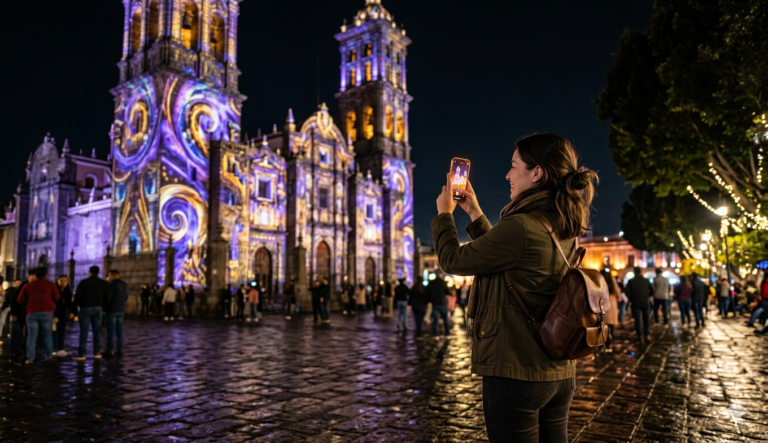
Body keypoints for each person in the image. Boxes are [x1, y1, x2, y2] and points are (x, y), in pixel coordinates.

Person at [432, 133, 599, 441]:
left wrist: (445, 216)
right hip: (559, 372)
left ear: (537, 173)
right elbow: (504, 256)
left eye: (514, 166)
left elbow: (453, 260)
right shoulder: (560, 224)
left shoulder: (520, 226)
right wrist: (475, 213)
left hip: (516, 374)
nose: (508, 174)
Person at [17, 267, 60, 364]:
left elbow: (20, 300)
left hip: (32, 312)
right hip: (47, 312)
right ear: (46, 275)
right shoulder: (51, 284)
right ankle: (49, 356)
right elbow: (57, 297)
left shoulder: (28, 286)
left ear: (35, 275)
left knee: (31, 336)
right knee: (48, 335)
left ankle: (30, 358)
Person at [74, 265, 109, 360]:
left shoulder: (84, 282)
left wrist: (79, 305)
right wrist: (104, 309)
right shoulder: (103, 283)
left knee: (83, 332)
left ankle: (82, 354)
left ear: (90, 272)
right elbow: (107, 298)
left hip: (85, 308)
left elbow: (77, 298)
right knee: (97, 332)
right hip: (98, 308)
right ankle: (97, 353)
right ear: (98, 272)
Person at [103, 270, 128, 358]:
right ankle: (120, 349)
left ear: (113, 275)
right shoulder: (124, 284)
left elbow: (109, 297)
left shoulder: (112, 284)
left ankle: (110, 350)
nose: (108, 278)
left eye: (109, 276)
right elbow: (126, 297)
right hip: (121, 310)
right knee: (120, 331)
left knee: (111, 331)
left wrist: (105, 308)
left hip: (112, 310)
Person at [626, 267, 653, 342]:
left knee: (637, 319)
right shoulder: (646, 280)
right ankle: (647, 334)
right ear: (641, 272)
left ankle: (639, 335)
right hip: (645, 301)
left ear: (634, 272)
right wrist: (647, 296)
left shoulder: (631, 281)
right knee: (646, 318)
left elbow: (627, 291)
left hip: (635, 302)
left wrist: (631, 298)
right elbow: (652, 291)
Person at [425, 270, 452, 337]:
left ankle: (436, 335)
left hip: (435, 304)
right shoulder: (443, 283)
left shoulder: (431, 283)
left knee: (435, 320)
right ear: (440, 275)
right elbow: (448, 292)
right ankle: (447, 333)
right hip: (443, 303)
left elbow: (428, 293)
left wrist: (429, 301)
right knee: (445, 319)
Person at [600, 270, 620, 353]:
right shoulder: (612, 281)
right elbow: (618, 293)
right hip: (611, 306)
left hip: (602, 306)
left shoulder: (600, 281)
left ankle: (604, 345)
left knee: (602, 328)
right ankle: (610, 345)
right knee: (611, 328)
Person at [53, 275, 74, 356]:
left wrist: (72, 312)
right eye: (61, 280)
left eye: (65, 281)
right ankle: (54, 349)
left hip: (64, 314)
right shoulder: (55, 290)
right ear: (57, 281)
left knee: (62, 332)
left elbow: (71, 303)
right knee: (54, 332)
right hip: (55, 314)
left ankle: (60, 349)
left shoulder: (68, 291)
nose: (63, 282)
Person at [9, 276, 28, 359]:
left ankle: (20, 349)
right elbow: (13, 302)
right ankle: (15, 351)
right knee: (17, 332)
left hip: (26, 312)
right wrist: (14, 314)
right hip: (20, 313)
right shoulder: (16, 290)